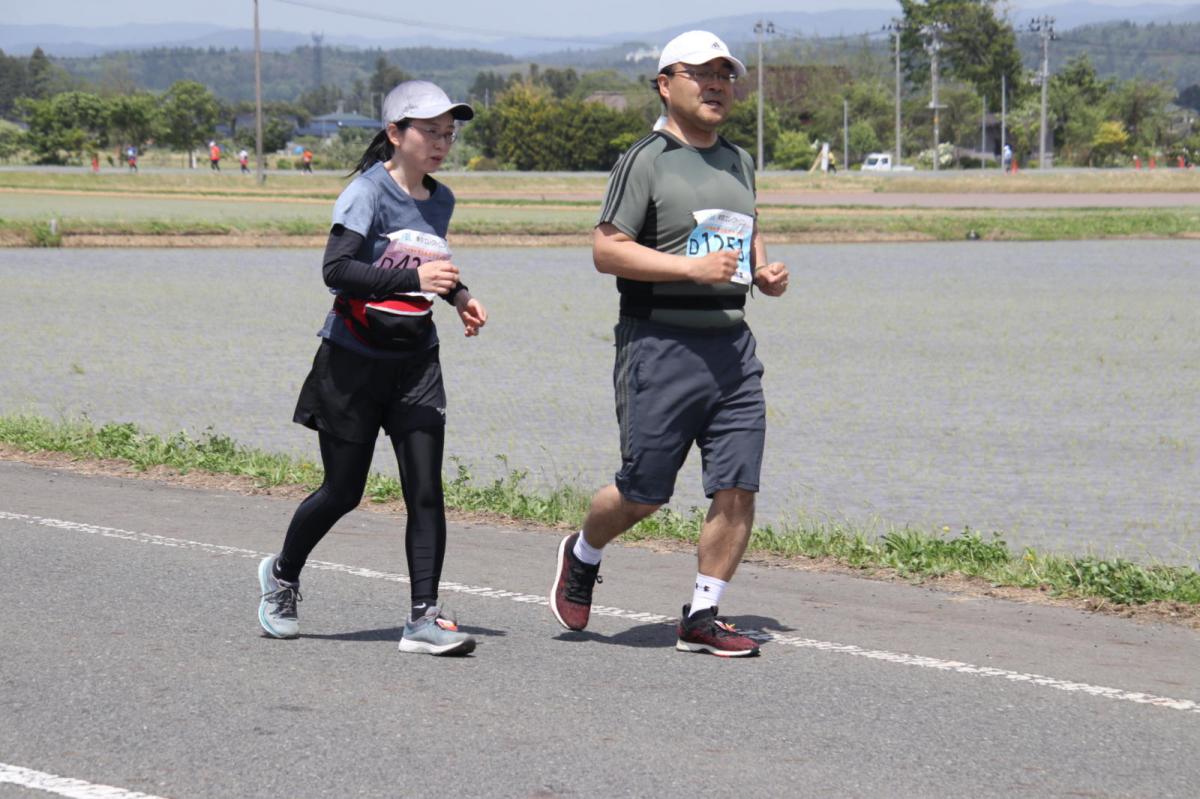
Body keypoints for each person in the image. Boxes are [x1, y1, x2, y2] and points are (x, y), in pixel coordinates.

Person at [549, 30, 789, 657]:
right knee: (643, 493)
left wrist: (763, 270)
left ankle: (703, 616)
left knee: (738, 484)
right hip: (659, 345)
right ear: (666, 82)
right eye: (702, 74)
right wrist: (688, 270)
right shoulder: (646, 158)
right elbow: (606, 249)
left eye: (725, 76)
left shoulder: (739, 159)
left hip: (732, 349)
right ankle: (583, 551)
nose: (717, 86)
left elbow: (745, 229)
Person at [257, 80, 488, 656]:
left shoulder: (442, 199)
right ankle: (282, 577)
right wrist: (415, 281)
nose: (441, 143)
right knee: (342, 492)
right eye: (429, 132)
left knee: (426, 491)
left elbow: (427, 258)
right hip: (352, 362)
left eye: (448, 134)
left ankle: (422, 619)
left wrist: (458, 295)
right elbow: (337, 271)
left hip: (415, 362)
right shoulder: (366, 193)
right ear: (395, 134)